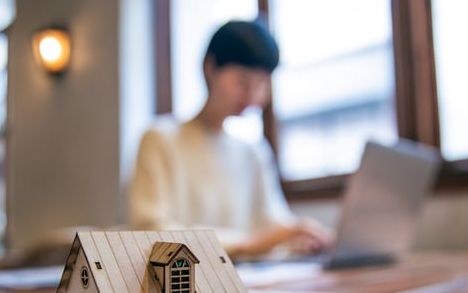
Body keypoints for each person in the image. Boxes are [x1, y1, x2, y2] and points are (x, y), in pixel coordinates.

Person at [128, 19, 331, 259]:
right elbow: (151, 231)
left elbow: (274, 222)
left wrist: (300, 237)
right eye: (242, 81)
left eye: (262, 83)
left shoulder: (254, 151)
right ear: (210, 68)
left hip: (257, 282)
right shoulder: (160, 139)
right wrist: (248, 244)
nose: (253, 94)